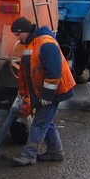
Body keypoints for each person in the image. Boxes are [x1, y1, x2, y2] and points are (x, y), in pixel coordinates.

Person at [10, 16, 76, 166]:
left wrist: (47, 96)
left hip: (54, 92)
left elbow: (53, 72)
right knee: (47, 122)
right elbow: (27, 72)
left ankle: (28, 155)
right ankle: (55, 152)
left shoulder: (45, 43)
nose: (17, 38)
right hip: (44, 92)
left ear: (25, 31)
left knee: (39, 123)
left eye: (18, 34)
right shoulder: (29, 44)